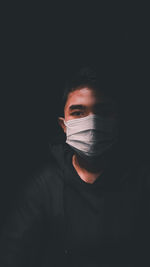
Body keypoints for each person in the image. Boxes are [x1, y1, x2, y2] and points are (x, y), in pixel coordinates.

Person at [0, 67, 149, 267]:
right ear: (64, 125)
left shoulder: (142, 181)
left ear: (117, 119)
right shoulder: (43, 186)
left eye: (103, 111)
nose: (92, 123)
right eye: (78, 112)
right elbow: (12, 252)